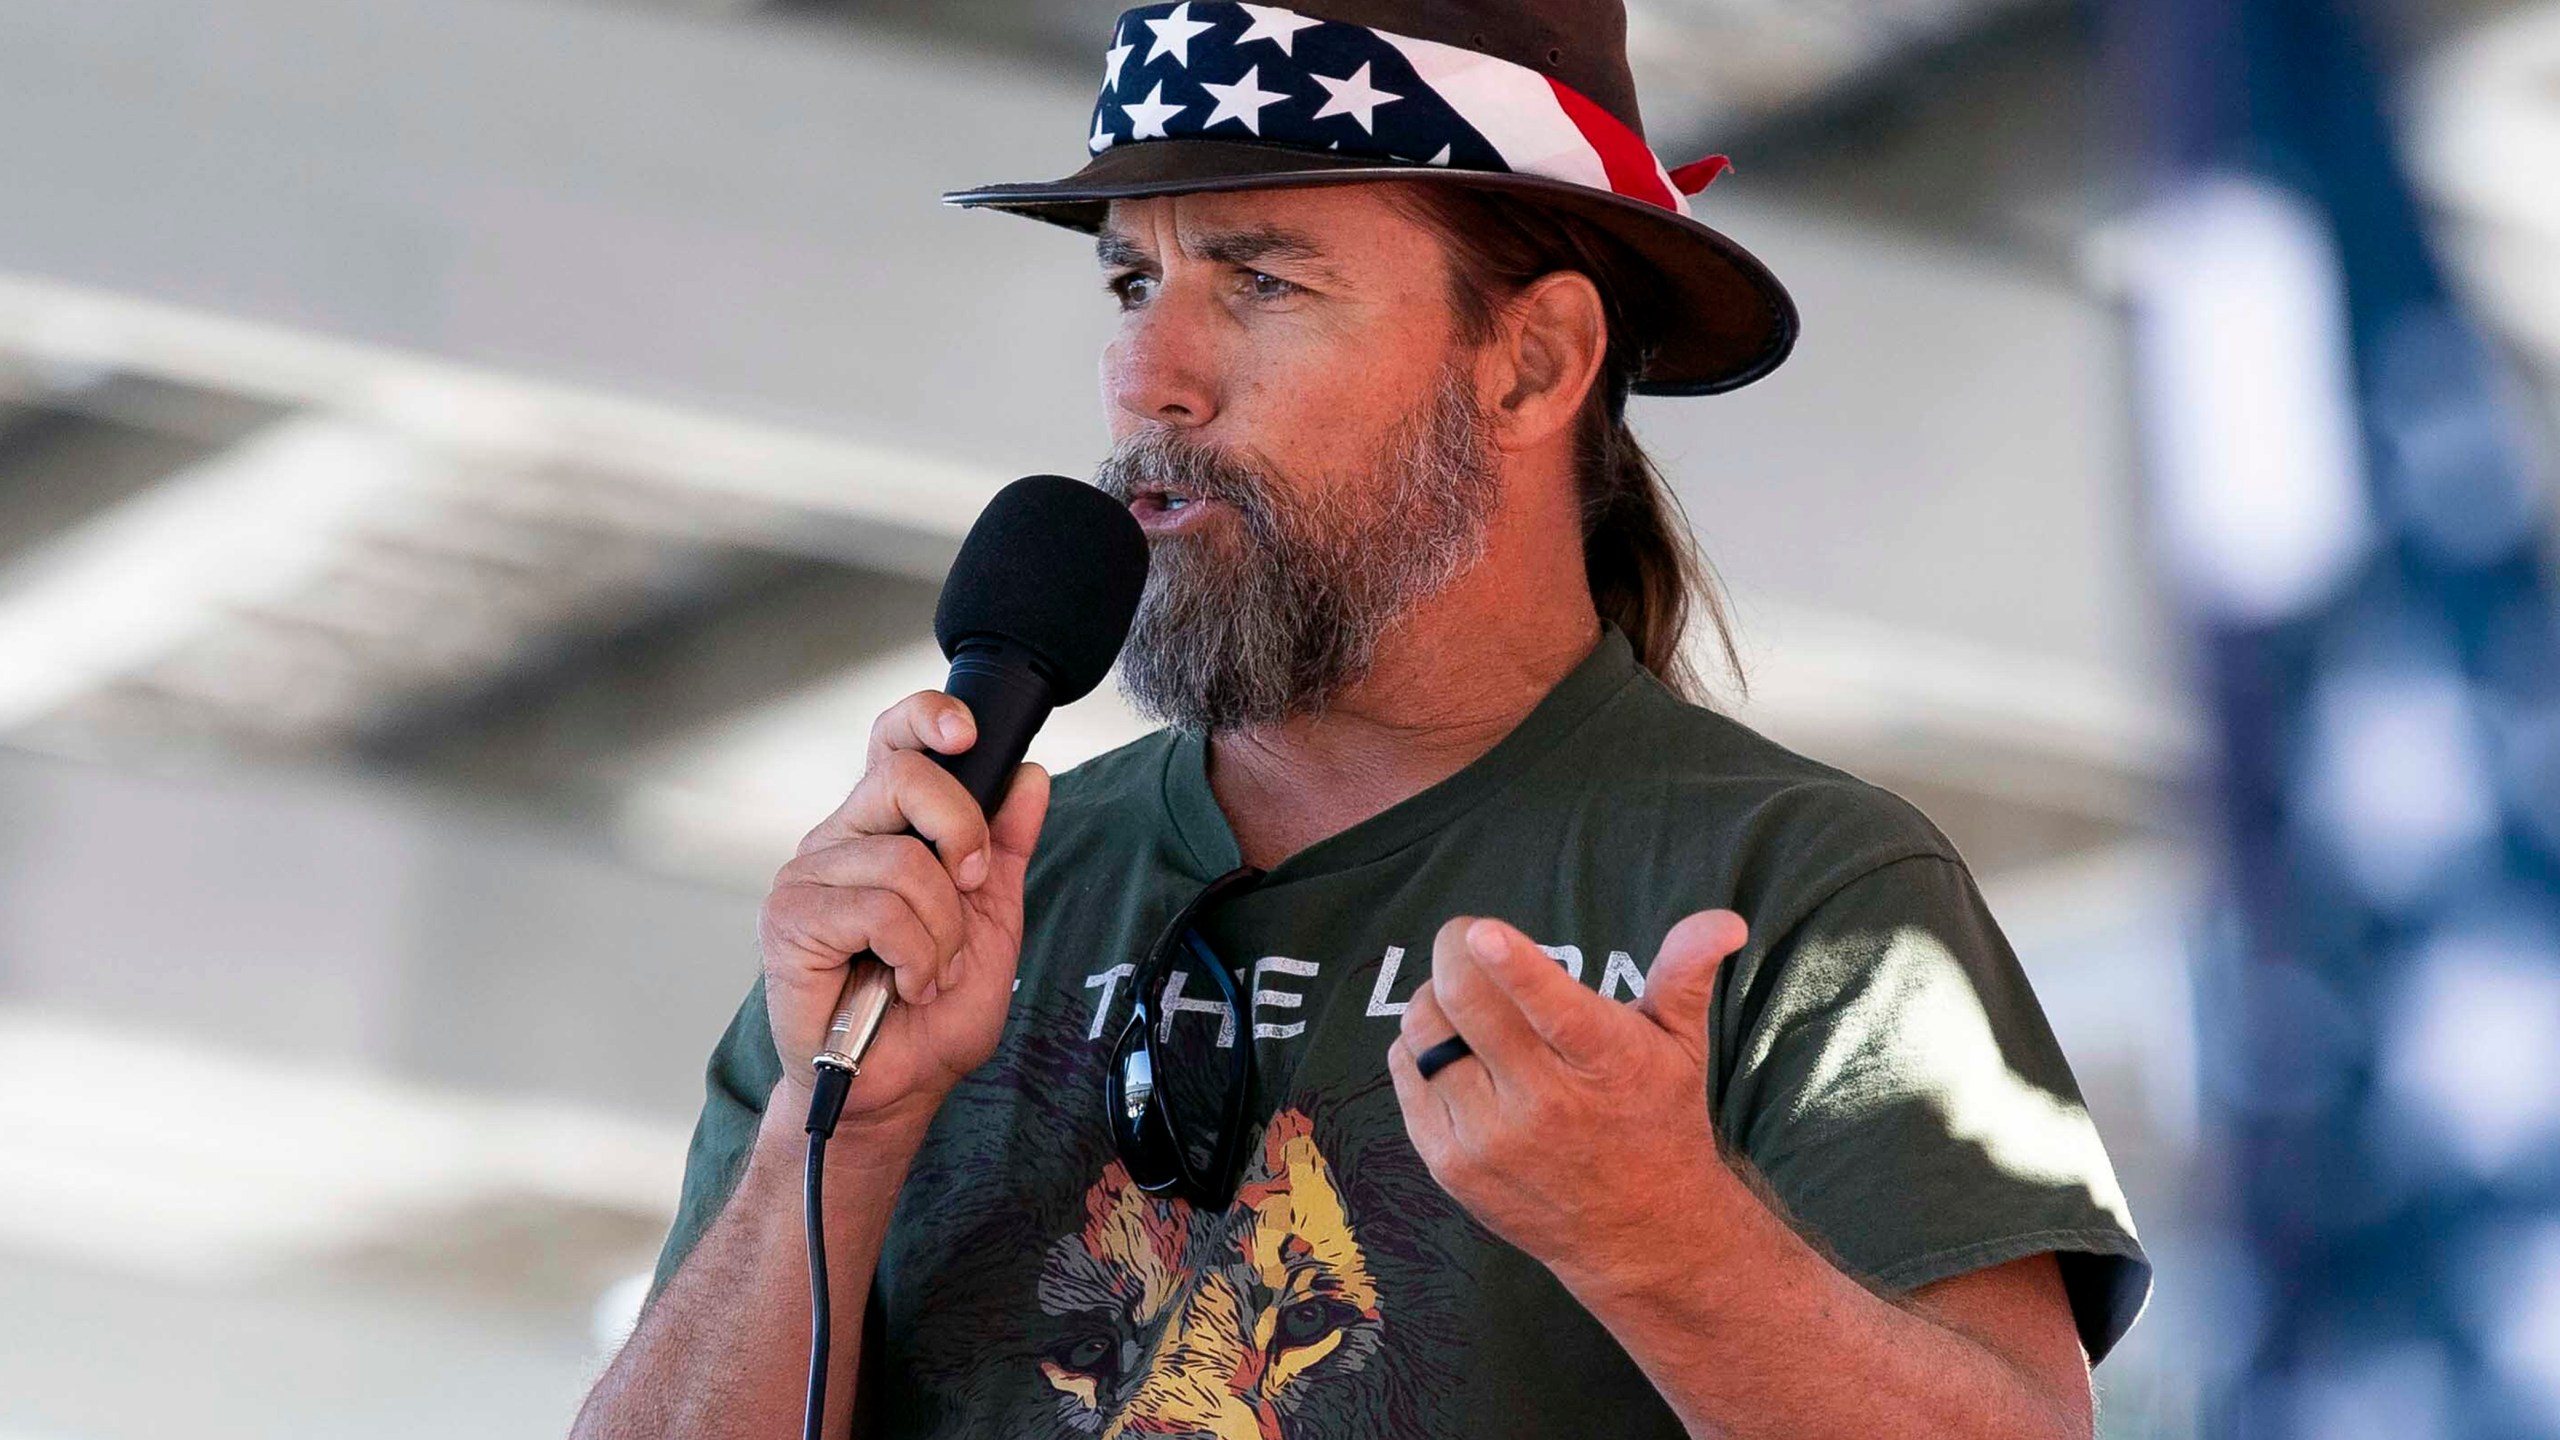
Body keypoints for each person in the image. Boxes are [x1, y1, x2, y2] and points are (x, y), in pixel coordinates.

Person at [574, 1, 2150, 1435]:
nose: (1148, 375)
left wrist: (1665, 1243)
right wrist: (840, 1133)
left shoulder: (1796, 891)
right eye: (1131, 278)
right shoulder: (937, 907)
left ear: (1532, 361)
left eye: (1261, 281)